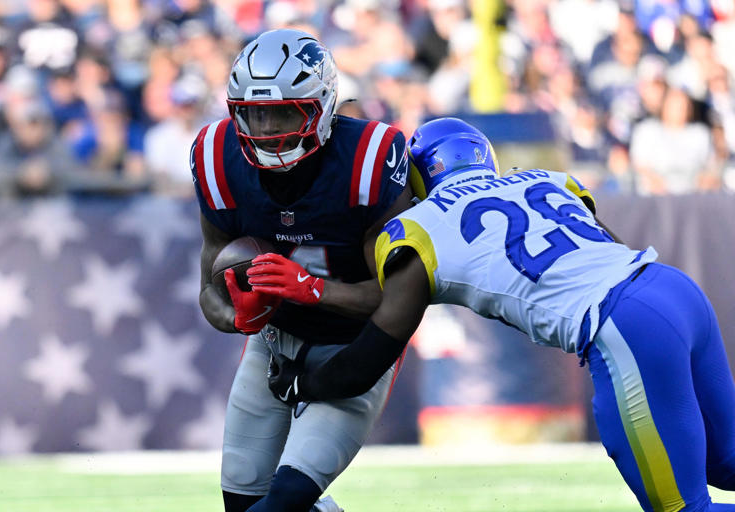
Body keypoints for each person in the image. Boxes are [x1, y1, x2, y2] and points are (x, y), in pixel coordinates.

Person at [264, 117, 735, 511]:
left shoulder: (419, 228)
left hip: (625, 328)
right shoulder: (545, 179)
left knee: (681, 509)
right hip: (671, 287)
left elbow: (371, 356)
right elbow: (608, 249)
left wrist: (303, 384)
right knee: (727, 462)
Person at [190, 29, 411, 512]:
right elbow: (209, 289)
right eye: (254, 113)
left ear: (323, 106)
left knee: (283, 502)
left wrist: (313, 289)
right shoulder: (216, 156)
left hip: (356, 348)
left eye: (284, 112)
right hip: (272, 347)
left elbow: (400, 298)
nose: (267, 129)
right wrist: (237, 316)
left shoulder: (369, 159)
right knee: (240, 502)